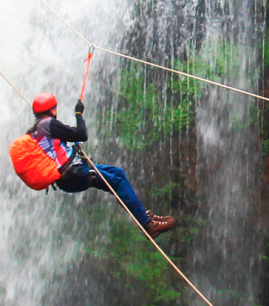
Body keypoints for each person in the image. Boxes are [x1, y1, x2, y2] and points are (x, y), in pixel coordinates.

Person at [26, 92, 176, 237]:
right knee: (115, 182)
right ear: (52, 109)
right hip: (72, 175)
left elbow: (58, 147)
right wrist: (79, 115)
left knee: (118, 173)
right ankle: (148, 225)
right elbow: (81, 134)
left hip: (73, 173)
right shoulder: (49, 124)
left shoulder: (37, 130)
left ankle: (143, 215)